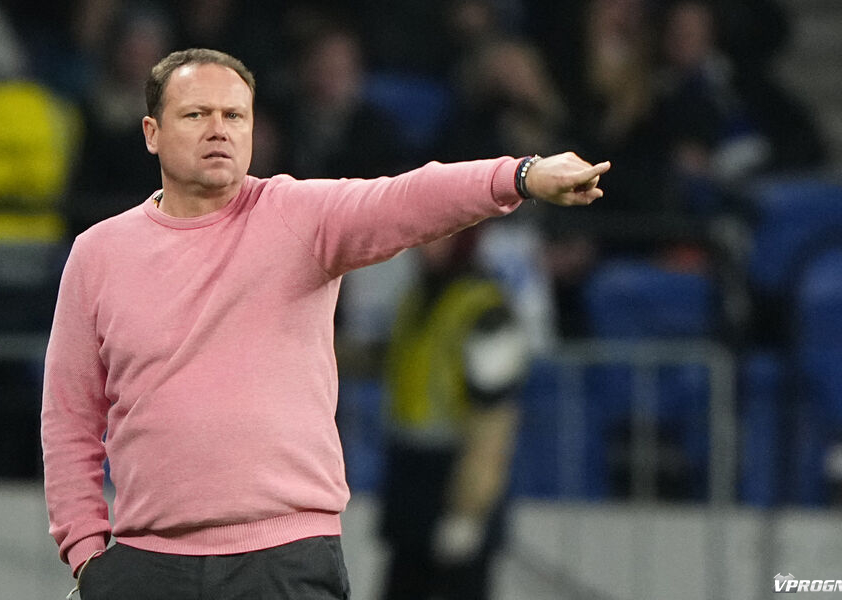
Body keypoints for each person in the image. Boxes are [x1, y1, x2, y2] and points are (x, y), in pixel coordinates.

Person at [40, 47, 610, 600]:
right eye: (196, 115)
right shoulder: (98, 254)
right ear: (152, 132)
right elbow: (68, 416)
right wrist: (86, 552)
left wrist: (521, 175)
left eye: (235, 116)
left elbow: (408, 198)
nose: (219, 130)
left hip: (285, 561)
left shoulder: (298, 215)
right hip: (145, 566)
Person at [379, 228, 528, 600]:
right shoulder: (418, 295)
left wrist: (468, 512)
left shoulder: (487, 309)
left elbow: (493, 423)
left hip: (457, 475)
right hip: (411, 473)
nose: (425, 245)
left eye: (440, 236)